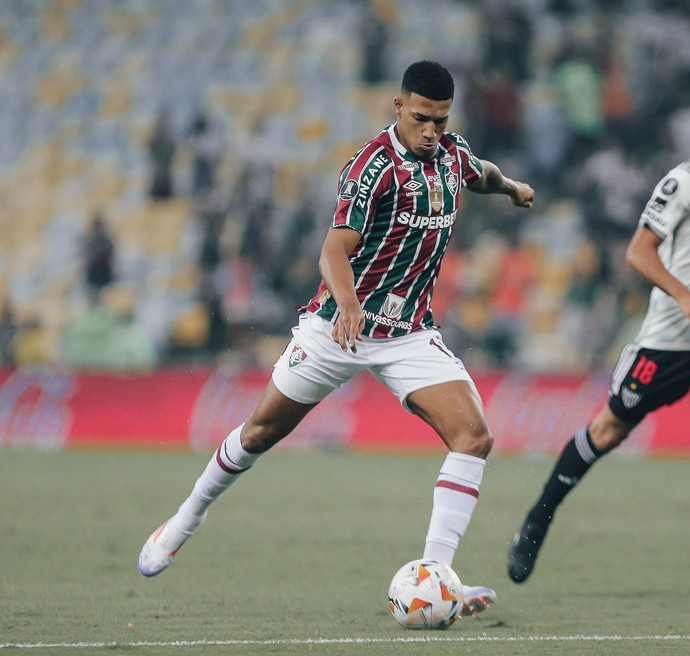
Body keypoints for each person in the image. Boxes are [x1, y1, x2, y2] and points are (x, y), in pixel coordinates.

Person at [138, 61, 535, 617]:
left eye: (441, 121)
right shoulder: (372, 169)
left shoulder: (450, 153)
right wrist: (348, 304)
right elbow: (332, 250)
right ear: (398, 107)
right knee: (258, 433)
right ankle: (186, 518)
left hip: (407, 333)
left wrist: (512, 187)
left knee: (473, 437)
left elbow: (481, 172)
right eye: (422, 118)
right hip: (337, 327)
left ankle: (436, 578)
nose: (431, 131)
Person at [507, 80, 690, 584]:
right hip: (670, 337)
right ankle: (537, 519)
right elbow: (638, 251)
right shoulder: (688, 181)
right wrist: (685, 295)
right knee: (609, 430)